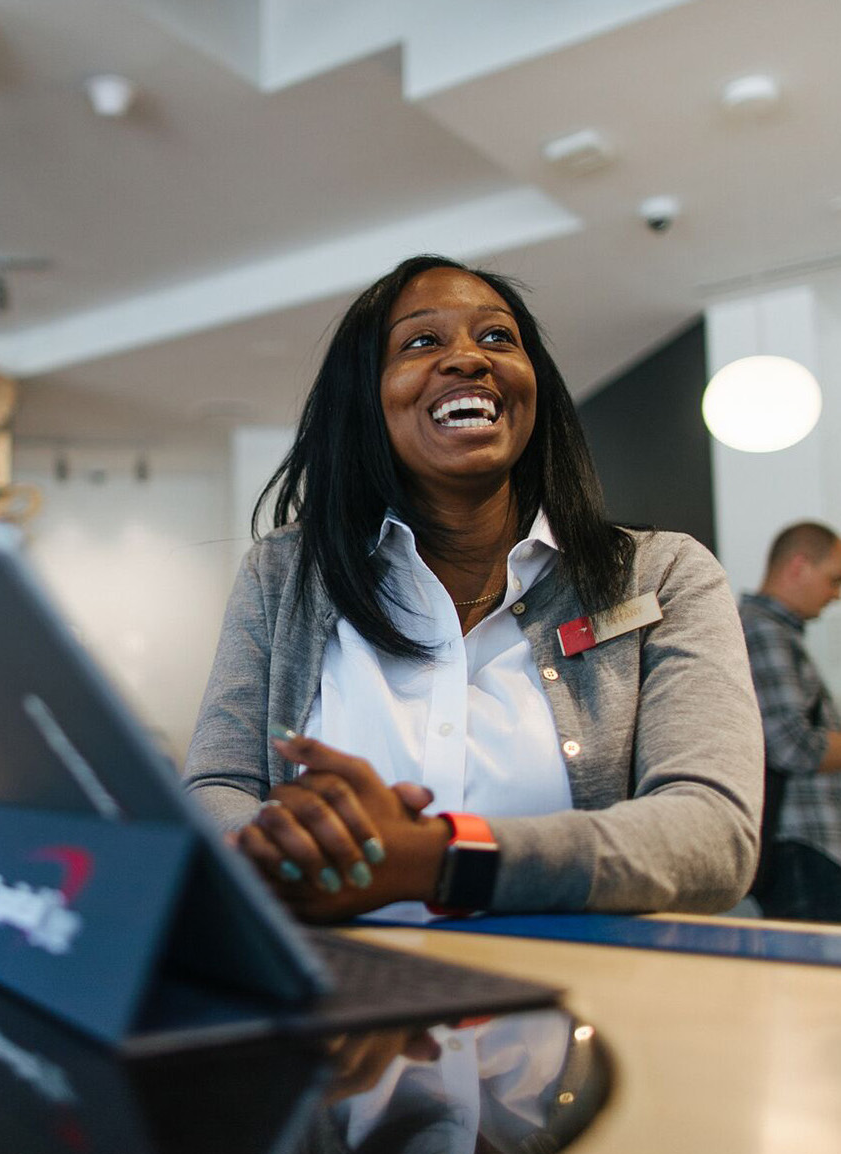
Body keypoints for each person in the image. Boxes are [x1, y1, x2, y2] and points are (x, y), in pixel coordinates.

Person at [183, 253, 762, 921]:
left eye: (496, 337)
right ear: (366, 396)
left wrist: (441, 856)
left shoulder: (662, 575)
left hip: (584, 1005)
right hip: (336, 997)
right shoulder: (282, 575)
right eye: (422, 341)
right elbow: (217, 787)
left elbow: (714, 834)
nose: (469, 359)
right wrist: (274, 846)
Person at [741, 521, 841, 921]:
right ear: (798, 566)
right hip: (800, 846)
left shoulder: (771, 631)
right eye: (833, 580)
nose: (835, 595)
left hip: (802, 846)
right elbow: (791, 743)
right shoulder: (764, 632)